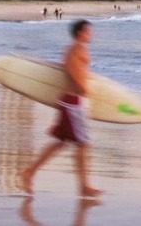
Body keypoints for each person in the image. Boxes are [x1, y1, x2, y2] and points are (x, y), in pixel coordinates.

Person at [20, 20, 102, 198]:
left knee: (62, 143)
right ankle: (84, 186)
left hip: (71, 102)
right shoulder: (76, 50)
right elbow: (73, 72)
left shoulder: (75, 49)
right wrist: (83, 89)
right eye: (89, 31)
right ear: (81, 33)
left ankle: (30, 172)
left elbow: (69, 68)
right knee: (83, 144)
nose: (91, 34)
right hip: (74, 103)